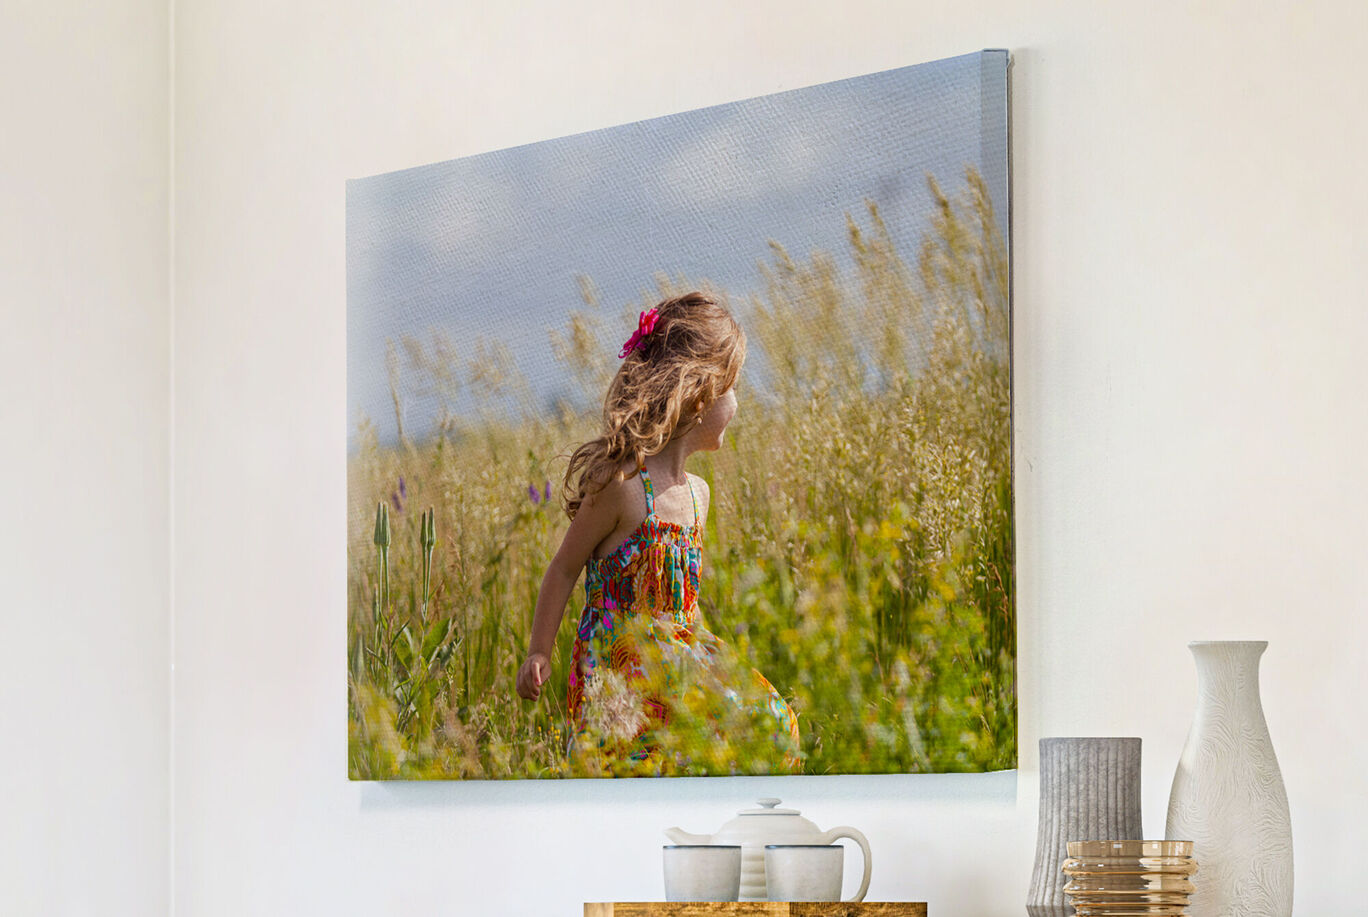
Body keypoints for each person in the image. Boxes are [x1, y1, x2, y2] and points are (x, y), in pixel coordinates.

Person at [515, 291, 801, 776]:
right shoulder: (622, 487)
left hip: (677, 664)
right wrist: (539, 650)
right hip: (622, 676)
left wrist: (711, 666)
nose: (737, 402)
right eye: (731, 388)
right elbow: (563, 568)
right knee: (638, 773)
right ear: (699, 394)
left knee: (773, 722)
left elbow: (681, 600)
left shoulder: (698, 495)